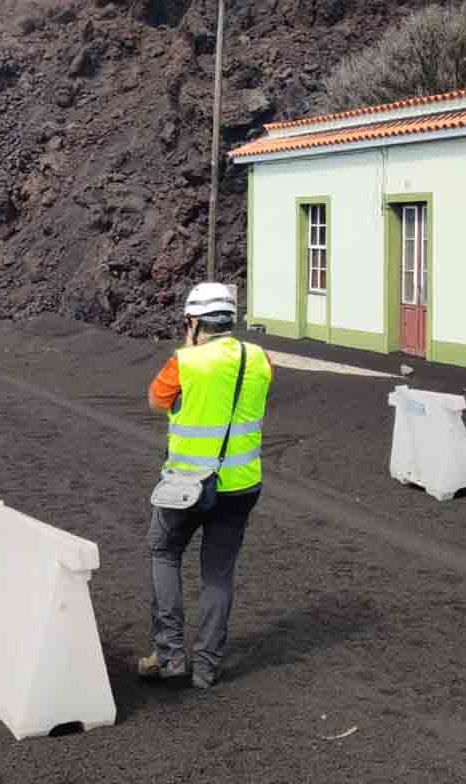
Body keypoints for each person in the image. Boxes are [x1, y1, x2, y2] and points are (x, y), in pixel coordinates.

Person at [137, 282, 273, 689]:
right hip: (242, 486)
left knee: (164, 550)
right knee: (217, 573)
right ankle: (207, 666)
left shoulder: (185, 363)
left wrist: (189, 351)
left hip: (187, 485)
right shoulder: (261, 359)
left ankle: (169, 654)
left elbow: (157, 401)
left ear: (194, 322)